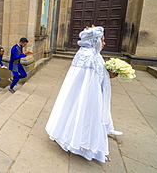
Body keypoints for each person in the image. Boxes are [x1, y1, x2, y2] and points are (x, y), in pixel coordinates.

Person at [45, 26, 122, 163]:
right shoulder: (88, 55)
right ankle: (88, 148)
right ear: (93, 41)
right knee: (87, 117)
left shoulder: (92, 53)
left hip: (89, 91)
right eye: (102, 40)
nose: (104, 43)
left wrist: (107, 73)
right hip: (89, 94)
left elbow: (97, 74)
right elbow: (89, 80)